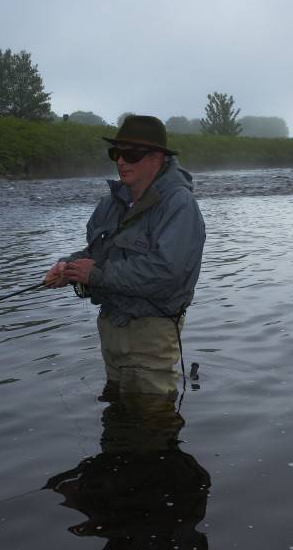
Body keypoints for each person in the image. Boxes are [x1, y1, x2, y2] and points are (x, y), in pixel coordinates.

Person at [45, 115, 205, 399]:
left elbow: (165, 273)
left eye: (130, 154)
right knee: (118, 419)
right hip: (110, 329)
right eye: (116, 153)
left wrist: (95, 275)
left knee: (152, 427)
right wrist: (67, 266)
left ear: (157, 157)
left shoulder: (179, 205)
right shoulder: (110, 203)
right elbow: (95, 254)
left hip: (150, 334)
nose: (121, 161)